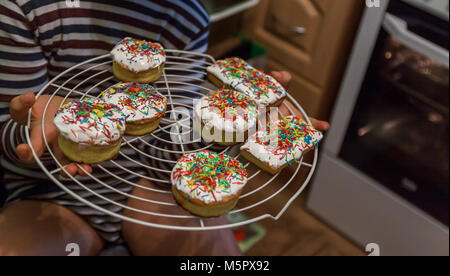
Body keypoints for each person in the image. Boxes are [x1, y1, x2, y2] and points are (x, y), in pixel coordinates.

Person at [0, 0, 330, 256]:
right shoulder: (25, 8)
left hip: (144, 185)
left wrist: (226, 124)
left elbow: (166, 152)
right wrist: (36, 129)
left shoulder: (185, 15)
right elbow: (9, 140)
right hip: (48, 192)